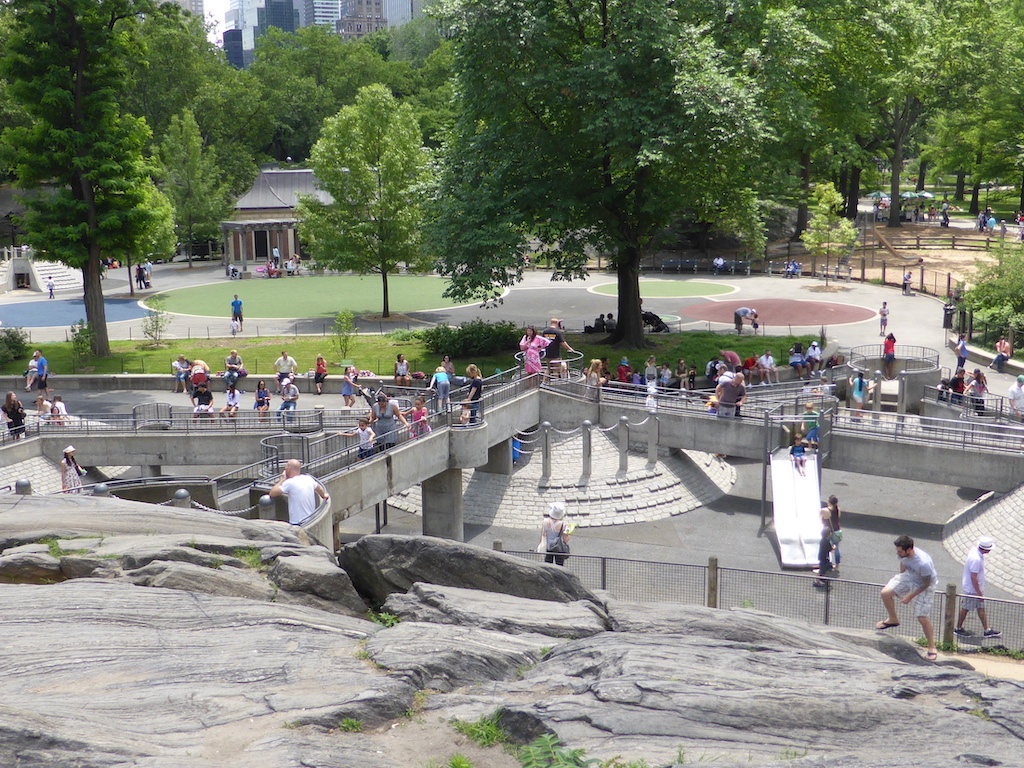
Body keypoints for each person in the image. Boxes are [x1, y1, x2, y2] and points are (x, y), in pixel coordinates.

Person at [876, 535, 938, 661]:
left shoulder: (923, 563)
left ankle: (932, 647)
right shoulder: (903, 554)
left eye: (900, 551)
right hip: (910, 576)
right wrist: (900, 579)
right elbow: (903, 563)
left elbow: (926, 583)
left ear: (909, 550)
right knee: (885, 593)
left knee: (922, 617)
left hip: (925, 584)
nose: (897, 553)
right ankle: (893, 619)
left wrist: (909, 596)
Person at [954, 537, 1001, 638]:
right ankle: (958, 628)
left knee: (981, 608)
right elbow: (973, 577)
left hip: (974, 589)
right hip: (972, 590)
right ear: (985, 549)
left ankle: (987, 629)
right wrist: (979, 593)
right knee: (965, 608)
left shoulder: (974, 551)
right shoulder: (976, 560)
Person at [269, 458, 329, 525]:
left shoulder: (290, 483)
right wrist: (324, 495)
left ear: (289, 469)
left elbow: (272, 493)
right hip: (311, 520)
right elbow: (319, 489)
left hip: (297, 523)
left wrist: (282, 480)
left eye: (285, 468)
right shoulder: (308, 478)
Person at [540, 502, 571, 566]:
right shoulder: (563, 524)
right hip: (558, 548)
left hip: (549, 547)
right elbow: (566, 539)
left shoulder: (545, 521)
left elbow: (543, 534)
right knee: (559, 565)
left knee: (548, 565)